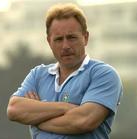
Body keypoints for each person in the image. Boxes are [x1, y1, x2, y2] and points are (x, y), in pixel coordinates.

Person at [7, 3, 123, 139]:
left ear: (85, 37)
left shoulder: (103, 74)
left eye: (72, 37)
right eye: (58, 39)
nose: (65, 45)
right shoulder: (37, 75)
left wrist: (37, 117)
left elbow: (84, 121)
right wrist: (65, 108)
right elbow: (14, 109)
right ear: (49, 42)